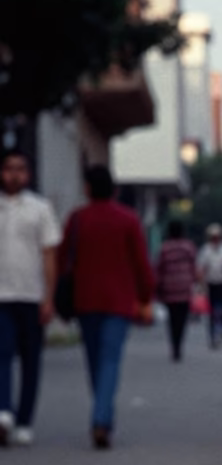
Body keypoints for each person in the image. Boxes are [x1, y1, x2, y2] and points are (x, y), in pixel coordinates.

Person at [59, 165, 154, 449]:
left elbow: (65, 259)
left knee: (94, 360)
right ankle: (101, 419)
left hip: (86, 300)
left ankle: (101, 414)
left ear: (87, 187)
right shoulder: (128, 220)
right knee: (110, 360)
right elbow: (141, 263)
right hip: (118, 302)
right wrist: (145, 297)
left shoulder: (77, 219)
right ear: (114, 188)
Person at [0, 149, 61, 446]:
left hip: (31, 294)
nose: (14, 174)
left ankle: (24, 420)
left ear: (28, 173)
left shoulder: (41, 209)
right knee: (2, 353)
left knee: (30, 360)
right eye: (9, 168)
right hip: (1, 295)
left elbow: (49, 255)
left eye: (20, 169)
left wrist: (49, 297)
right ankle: (3, 411)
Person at [155, 220, 197, 361]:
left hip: (169, 288)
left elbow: (159, 268)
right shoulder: (188, 247)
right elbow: (193, 267)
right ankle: (179, 345)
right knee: (182, 319)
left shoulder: (165, 248)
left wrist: (158, 286)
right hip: (184, 288)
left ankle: (174, 346)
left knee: (172, 319)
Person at [196, 223, 222, 347]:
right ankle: (212, 335)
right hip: (211, 283)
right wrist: (201, 283)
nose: (215, 239)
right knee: (212, 311)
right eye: (213, 237)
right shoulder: (206, 250)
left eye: (217, 236)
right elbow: (200, 269)